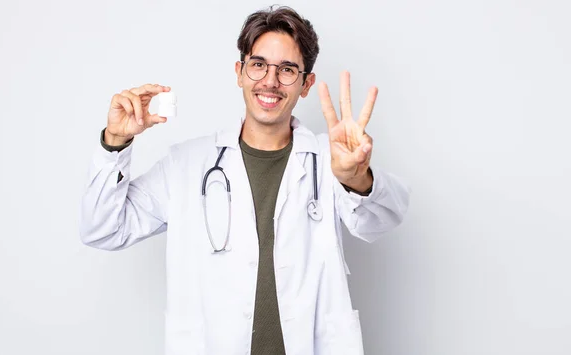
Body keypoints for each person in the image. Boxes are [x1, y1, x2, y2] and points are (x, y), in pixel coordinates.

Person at [79, 5, 410, 355]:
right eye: (258, 65)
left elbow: (383, 219)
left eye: (287, 69)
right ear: (239, 72)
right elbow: (102, 229)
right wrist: (115, 143)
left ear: (306, 84)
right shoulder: (186, 166)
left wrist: (356, 178)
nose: (270, 80)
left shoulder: (330, 160)